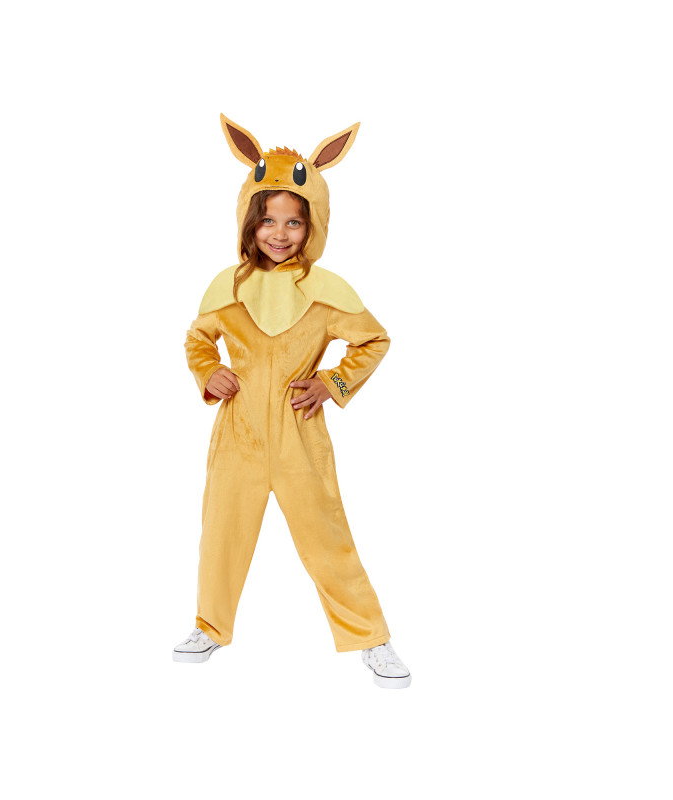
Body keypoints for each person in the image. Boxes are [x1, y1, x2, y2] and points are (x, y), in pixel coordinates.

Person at [172, 114, 411, 689]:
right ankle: (209, 625)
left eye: (294, 222)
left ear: (313, 225)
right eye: (267, 220)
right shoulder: (228, 288)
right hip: (239, 434)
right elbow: (198, 338)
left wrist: (333, 383)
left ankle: (371, 638)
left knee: (327, 537)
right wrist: (210, 371)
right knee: (222, 533)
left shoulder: (326, 293)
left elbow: (374, 340)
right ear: (249, 221)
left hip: (301, 432)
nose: (279, 234)